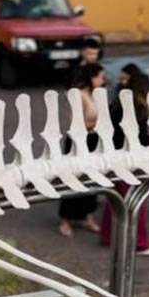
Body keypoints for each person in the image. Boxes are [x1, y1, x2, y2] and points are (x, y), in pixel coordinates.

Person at [101, 63, 149, 254]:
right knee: (135, 200)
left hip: (113, 155)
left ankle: (108, 235)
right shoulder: (139, 108)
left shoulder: (117, 103)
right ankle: (140, 243)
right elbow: (141, 137)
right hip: (131, 159)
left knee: (116, 198)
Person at [58, 62, 105, 237]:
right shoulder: (78, 95)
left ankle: (88, 216)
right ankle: (66, 219)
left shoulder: (96, 95)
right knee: (73, 180)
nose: (102, 80)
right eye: (100, 76)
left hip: (94, 140)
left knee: (91, 181)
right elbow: (74, 123)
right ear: (92, 77)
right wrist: (96, 123)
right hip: (79, 141)